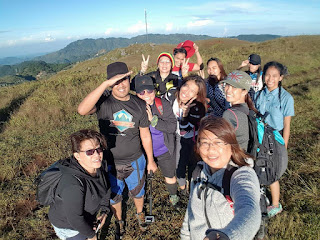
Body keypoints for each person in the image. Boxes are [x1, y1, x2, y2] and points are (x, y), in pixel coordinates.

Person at [77, 62, 157, 238]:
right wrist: (105, 85)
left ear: (130, 80)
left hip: (136, 159)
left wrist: (150, 160)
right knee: (114, 195)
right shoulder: (103, 102)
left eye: (124, 80)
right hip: (109, 161)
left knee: (138, 191)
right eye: (116, 82)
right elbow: (82, 110)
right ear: (109, 84)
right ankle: (119, 220)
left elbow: (145, 135)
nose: (121, 85)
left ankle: (139, 213)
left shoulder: (138, 104)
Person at [180, 116, 261, 240]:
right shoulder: (198, 172)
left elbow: (249, 209)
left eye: (218, 142)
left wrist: (225, 236)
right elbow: (191, 214)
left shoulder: (241, 175)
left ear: (231, 145)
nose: (211, 149)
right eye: (205, 142)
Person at [49, 129, 111, 240]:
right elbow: (75, 219)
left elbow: (106, 186)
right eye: (89, 152)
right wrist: (92, 236)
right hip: (69, 228)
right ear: (77, 156)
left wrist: (104, 210)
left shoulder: (99, 166)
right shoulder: (73, 184)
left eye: (98, 148)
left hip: (86, 219)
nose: (97, 155)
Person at [254, 61, 294, 218]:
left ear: (280, 77)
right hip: (259, 138)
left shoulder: (286, 98)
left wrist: (283, 147)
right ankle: (260, 195)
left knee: (272, 170)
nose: (270, 78)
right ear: (263, 76)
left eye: (274, 76)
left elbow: (286, 125)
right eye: (267, 75)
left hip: (275, 138)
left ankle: (276, 204)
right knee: (258, 165)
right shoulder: (258, 94)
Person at [135, 75, 180, 207]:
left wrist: (153, 120)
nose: (146, 95)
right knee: (143, 179)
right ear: (136, 93)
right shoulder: (134, 108)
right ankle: (140, 205)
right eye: (141, 92)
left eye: (149, 91)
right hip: (142, 152)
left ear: (154, 90)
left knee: (170, 175)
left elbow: (172, 126)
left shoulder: (162, 104)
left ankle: (174, 197)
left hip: (164, 149)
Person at [170, 75, 207, 195]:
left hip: (193, 140)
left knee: (193, 165)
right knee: (178, 165)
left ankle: (192, 190)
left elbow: (184, 131)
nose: (186, 92)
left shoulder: (197, 108)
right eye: (186, 86)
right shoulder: (173, 99)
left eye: (192, 91)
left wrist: (185, 116)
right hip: (178, 138)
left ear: (196, 95)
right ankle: (182, 189)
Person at [221, 70, 258, 151]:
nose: (228, 90)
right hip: (246, 158)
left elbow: (222, 143)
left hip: (234, 159)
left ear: (244, 91)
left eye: (234, 87)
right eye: (227, 85)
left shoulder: (229, 114)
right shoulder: (249, 109)